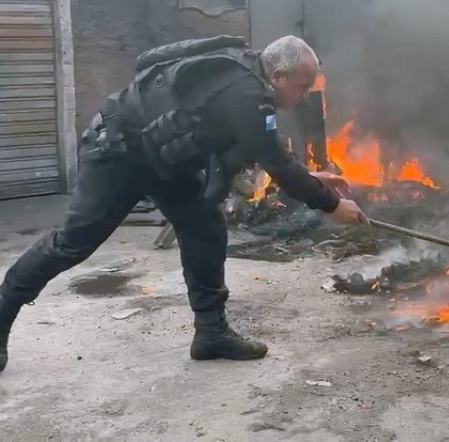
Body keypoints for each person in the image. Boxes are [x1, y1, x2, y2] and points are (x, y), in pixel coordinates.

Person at [0, 35, 366, 373]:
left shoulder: (244, 75)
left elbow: (257, 152)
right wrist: (331, 204)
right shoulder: (247, 92)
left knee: (204, 227)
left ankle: (211, 334)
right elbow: (276, 162)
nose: (303, 96)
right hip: (117, 154)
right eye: (302, 87)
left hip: (162, 162)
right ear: (280, 74)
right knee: (73, 242)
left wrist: (313, 179)